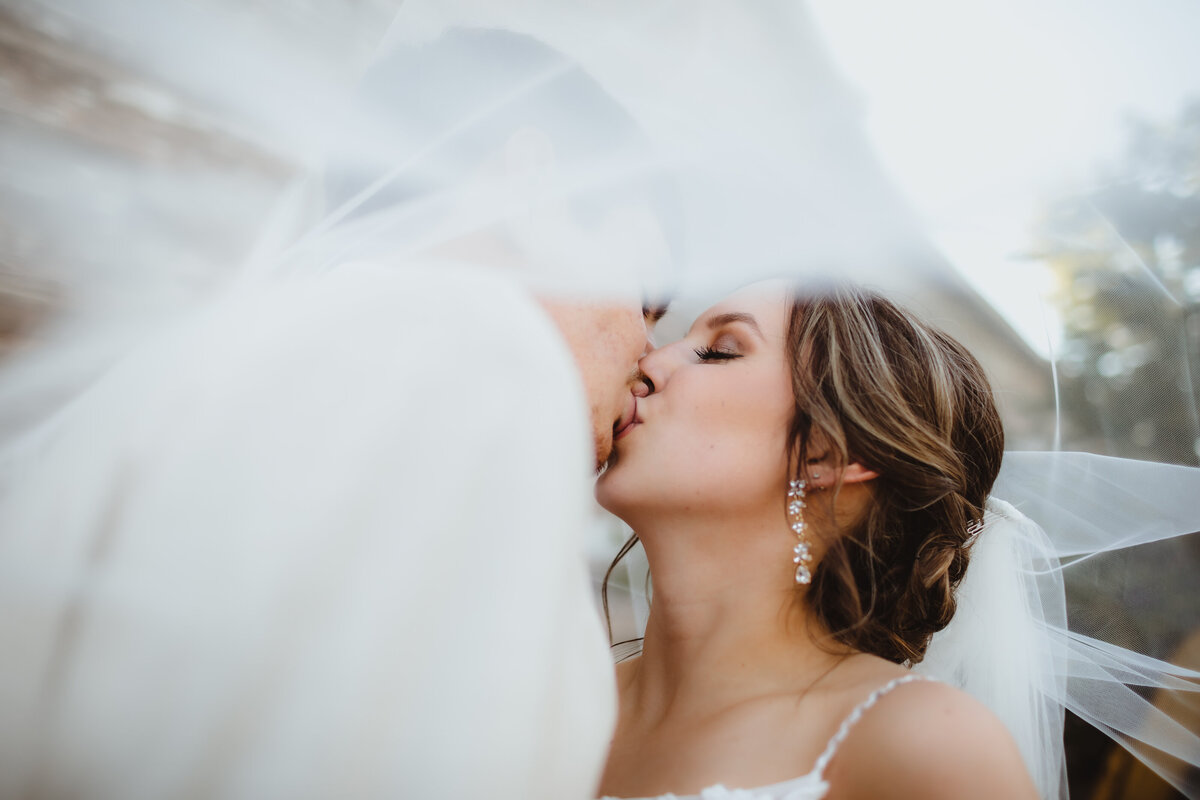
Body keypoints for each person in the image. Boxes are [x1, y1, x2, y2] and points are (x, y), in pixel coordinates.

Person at [0, 24, 667, 800]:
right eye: (646, 295)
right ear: (526, 181)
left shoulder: (239, 348)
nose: (651, 353)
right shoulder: (475, 353)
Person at [595, 281, 1040, 799]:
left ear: (828, 454)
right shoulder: (552, 695)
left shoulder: (924, 748)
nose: (647, 364)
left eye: (720, 352)